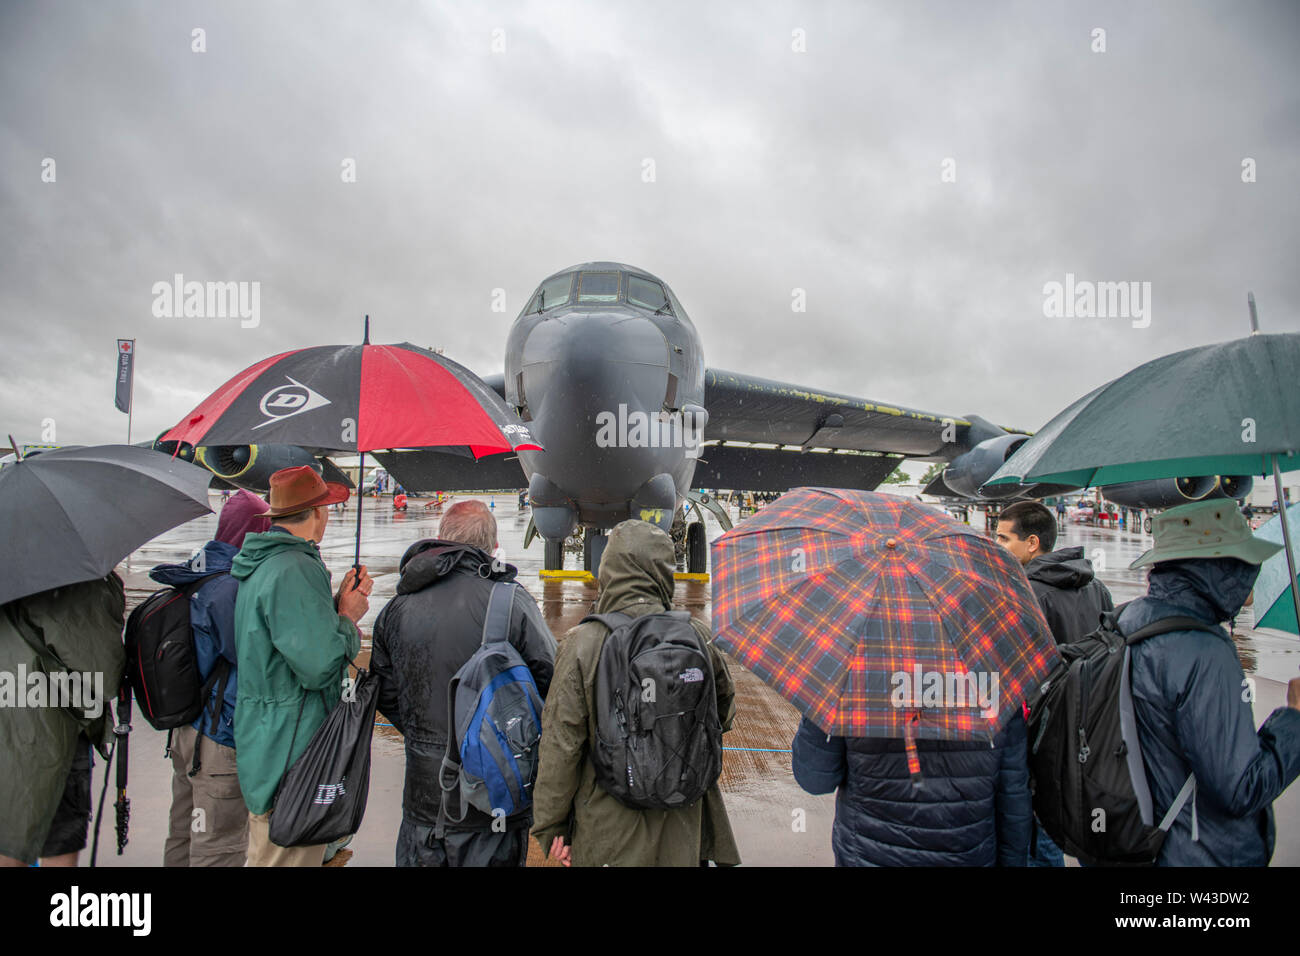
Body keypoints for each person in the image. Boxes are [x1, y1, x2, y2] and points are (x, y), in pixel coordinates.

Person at [531, 520, 740, 867]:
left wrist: (552, 826)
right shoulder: (697, 635)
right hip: (683, 823)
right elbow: (724, 713)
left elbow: (560, 746)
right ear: (664, 570)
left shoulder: (583, 644)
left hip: (608, 831)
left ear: (609, 568)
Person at [370, 499, 556, 867]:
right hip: (493, 803)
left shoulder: (397, 607)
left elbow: (384, 689)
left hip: (423, 805)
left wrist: (428, 739)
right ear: (492, 546)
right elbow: (551, 682)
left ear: (441, 538)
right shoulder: (510, 601)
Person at [1121, 500, 1300, 866]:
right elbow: (1241, 789)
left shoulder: (1132, 618)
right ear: (1219, 566)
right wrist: (1295, 719)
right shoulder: (1204, 651)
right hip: (1199, 852)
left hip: (1145, 837)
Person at [231, 466, 372, 867]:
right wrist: (347, 619)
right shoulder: (295, 567)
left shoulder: (265, 564)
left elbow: (286, 643)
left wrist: (332, 609)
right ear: (318, 512)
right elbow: (319, 666)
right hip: (293, 754)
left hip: (268, 741)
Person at [151, 489, 269, 867]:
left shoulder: (197, 574)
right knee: (220, 845)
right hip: (219, 735)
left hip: (187, 731)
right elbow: (253, 661)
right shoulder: (230, 588)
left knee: (184, 829)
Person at [994, 498, 1113, 866]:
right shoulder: (1098, 589)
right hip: (1090, 730)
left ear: (1032, 543)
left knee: (1038, 833)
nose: (997, 546)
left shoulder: (1025, 591)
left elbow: (1012, 670)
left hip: (1040, 734)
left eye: (1003, 539)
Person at [791, 707, 1030, 866]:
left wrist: (818, 711)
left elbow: (815, 779)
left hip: (867, 855)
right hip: (968, 854)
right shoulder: (995, 675)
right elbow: (1013, 799)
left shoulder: (853, 666)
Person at [0, 575, 125, 867]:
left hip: (7, 722)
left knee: (8, 832)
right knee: (59, 840)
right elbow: (103, 674)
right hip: (53, 734)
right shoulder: (72, 580)